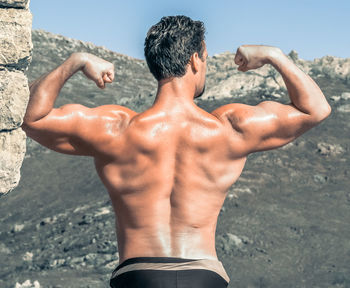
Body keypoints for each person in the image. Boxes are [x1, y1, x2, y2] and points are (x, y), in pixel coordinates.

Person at [22, 15, 331, 288]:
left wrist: (74, 62)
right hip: (204, 276)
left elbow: (30, 117)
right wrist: (274, 56)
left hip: (137, 275)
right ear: (196, 60)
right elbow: (315, 110)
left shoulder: (115, 129)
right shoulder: (228, 130)